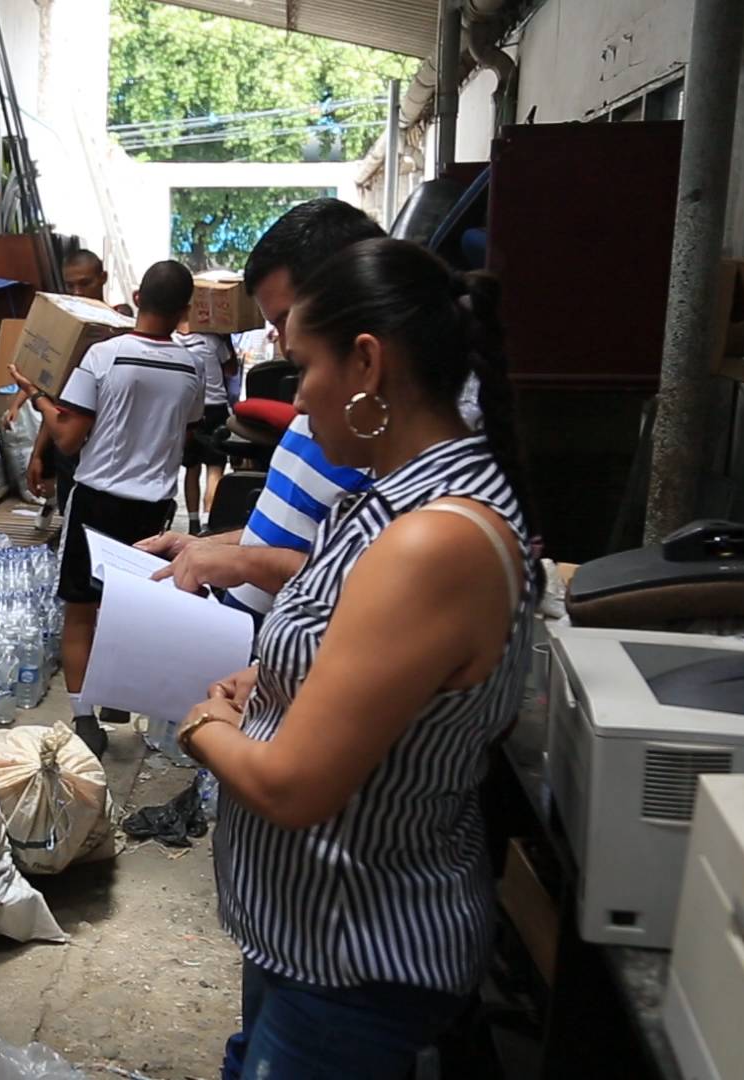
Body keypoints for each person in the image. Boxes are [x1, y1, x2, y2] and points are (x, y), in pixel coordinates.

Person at [176, 238, 537, 1079]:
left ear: (367, 363)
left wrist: (198, 721)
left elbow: (295, 787)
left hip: (357, 954)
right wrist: (269, 678)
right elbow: (360, 647)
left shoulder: (433, 540)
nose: (298, 398)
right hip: (305, 933)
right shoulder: (389, 499)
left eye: (303, 366)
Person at [139, 199, 381, 611]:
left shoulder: (393, 445)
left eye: (288, 319)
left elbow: (371, 592)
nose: (285, 346)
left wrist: (246, 562)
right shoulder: (322, 410)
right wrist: (202, 548)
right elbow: (286, 535)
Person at [9, 260, 206, 758]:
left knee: (81, 611)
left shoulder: (104, 355)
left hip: (99, 499)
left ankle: (84, 717)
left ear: (136, 297)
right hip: (155, 508)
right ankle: (122, 697)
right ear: (185, 311)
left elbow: (70, 439)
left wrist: (38, 397)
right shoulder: (192, 366)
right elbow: (185, 429)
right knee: (132, 610)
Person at [23, 249, 126, 516]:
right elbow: (56, 399)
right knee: (71, 522)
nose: (77, 293)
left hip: (112, 454)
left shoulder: (122, 327)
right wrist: (38, 455)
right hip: (70, 449)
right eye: (70, 285)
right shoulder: (64, 333)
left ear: (102, 278)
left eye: (85, 283)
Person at [174, 325, 232, 526]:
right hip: (216, 407)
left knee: (191, 466)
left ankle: (193, 522)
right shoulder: (213, 340)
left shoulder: (174, 341)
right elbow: (231, 369)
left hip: (189, 408)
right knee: (215, 467)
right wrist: (227, 339)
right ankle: (208, 521)